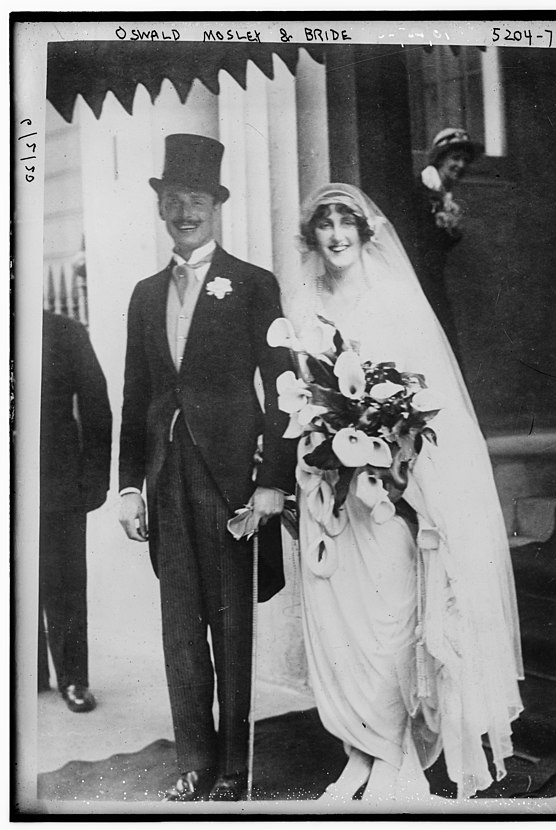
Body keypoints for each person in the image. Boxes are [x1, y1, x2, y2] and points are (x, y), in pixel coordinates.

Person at [279, 184, 523, 804]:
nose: (336, 235)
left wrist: (394, 460)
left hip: (390, 489)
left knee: (390, 620)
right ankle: (358, 755)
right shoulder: (305, 300)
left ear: (365, 231)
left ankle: (397, 755)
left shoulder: (391, 296)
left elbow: (421, 398)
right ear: (315, 237)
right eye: (325, 225)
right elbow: (305, 393)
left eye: (346, 223)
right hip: (330, 488)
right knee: (343, 625)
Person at [118, 134, 297, 802]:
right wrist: (130, 487)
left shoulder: (252, 284)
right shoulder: (142, 295)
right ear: (161, 207)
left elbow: (285, 391)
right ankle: (195, 759)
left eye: (196, 198)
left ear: (217, 206)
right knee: (181, 633)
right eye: (173, 199)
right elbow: (136, 397)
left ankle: (235, 766)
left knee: (232, 630)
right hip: (168, 482)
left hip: (233, 486)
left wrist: (274, 480)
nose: (184, 209)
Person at [38, 309, 112, 712]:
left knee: (64, 581)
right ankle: (26, 674)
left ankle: (73, 679)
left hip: (57, 478)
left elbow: (96, 406)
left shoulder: (65, 332)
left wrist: (95, 477)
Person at [405, 128, 482, 362]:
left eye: (465, 160)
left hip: (432, 279)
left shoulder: (440, 194)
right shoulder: (421, 191)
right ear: (440, 158)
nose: (461, 165)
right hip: (418, 280)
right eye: (455, 158)